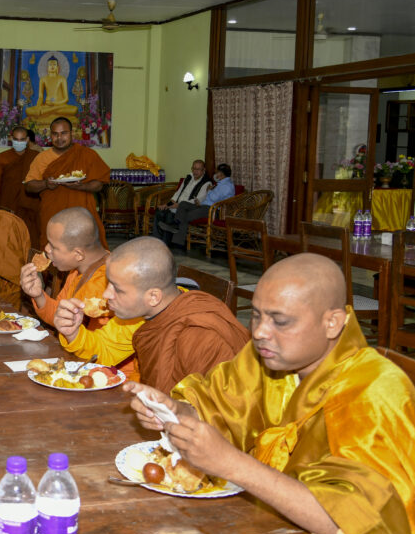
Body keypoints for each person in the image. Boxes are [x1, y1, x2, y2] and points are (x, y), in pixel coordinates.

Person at [125, 253, 415, 534]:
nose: (260, 332)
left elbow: (357, 526)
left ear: (333, 323)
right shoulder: (272, 356)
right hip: (274, 532)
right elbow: (219, 402)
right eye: (256, 315)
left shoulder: (373, 391)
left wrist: (230, 464)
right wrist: (175, 409)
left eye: (280, 321)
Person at [55, 236, 248, 393]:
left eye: (117, 289)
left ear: (153, 296)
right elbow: (104, 350)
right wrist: (73, 333)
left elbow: (223, 409)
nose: (106, 294)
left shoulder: (201, 336)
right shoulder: (141, 313)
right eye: (108, 284)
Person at [21, 207, 142, 380]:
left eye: (54, 246)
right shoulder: (76, 271)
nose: (46, 249)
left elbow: (100, 350)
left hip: (112, 375)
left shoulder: (109, 284)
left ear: (78, 254)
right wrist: (38, 294)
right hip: (82, 358)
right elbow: (61, 318)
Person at [24, 117, 109, 248]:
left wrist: (83, 186)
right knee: (53, 248)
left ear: (72, 134)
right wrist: (46, 184)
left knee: (83, 247)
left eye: (64, 133)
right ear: (50, 135)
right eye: (55, 134)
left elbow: (99, 184)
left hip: (81, 215)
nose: (59, 138)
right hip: (53, 214)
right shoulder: (42, 158)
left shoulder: (87, 154)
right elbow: (29, 186)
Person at [0, 126, 42, 246]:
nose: (19, 143)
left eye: (22, 139)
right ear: (11, 139)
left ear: (28, 139)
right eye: (16, 139)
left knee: (31, 238)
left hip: (30, 205)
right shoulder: (2, 158)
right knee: (8, 239)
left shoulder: (35, 156)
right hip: (8, 205)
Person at [163, 163, 236, 248]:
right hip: (204, 206)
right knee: (183, 204)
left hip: (214, 211)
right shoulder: (220, 184)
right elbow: (210, 199)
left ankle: (177, 235)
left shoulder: (227, 186)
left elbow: (214, 198)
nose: (215, 174)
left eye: (217, 172)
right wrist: (200, 203)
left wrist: (209, 190)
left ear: (221, 173)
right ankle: (176, 228)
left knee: (187, 215)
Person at [151, 159, 211, 240]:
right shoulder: (189, 177)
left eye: (198, 169)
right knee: (160, 211)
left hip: (188, 208)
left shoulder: (207, 183)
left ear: (204, 170)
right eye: (193, 168)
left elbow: (198, 200)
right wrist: (167, 204)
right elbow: (177, 194)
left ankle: (166, 242)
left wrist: (178, 206)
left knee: (169, 215)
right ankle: (156, 240)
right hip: (176, 205)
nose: (195, 171)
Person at [25, 56, 79, 123]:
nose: (52, 66)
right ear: (47, 67)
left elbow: (66, 99)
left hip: (60, 105)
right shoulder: (43, 79)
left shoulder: (62, 79)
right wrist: (38, 106)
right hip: (47, 105)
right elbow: (41, 97)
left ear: (57, 67)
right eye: (50, 64)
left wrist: (55, 103)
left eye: (54, 64)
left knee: (74, 109)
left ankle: (49, 111)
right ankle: (50, 111)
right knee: (28, 110)